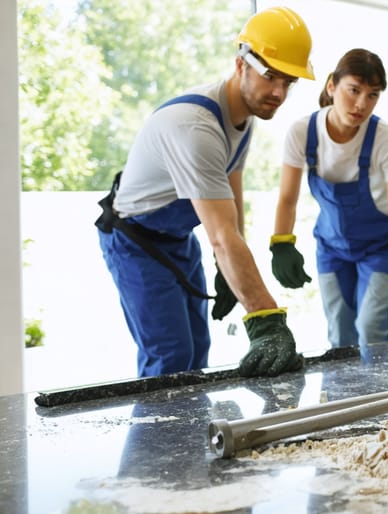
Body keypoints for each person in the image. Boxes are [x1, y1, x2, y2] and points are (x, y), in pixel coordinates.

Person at [97, 7, 316, 378]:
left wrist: (226, 266)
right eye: (271, 76)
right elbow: (219, 234)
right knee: (170, 360)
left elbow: (231, 203)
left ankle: (188, 439)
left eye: (289, 82)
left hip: (178, 239)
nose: (279, 93)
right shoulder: (195, 127)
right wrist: (264, 319)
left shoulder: (243, 121)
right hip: (135, 241)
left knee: (198, 350)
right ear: (241, 64)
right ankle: (155, 439)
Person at [271, 48, 388, 360]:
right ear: (332, 86)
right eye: (354, 90)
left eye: (373, 95)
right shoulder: (303, 133)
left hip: (382, 248)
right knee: (339, 334)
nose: (362, 104)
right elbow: (287, 199)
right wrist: (281, 242)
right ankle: (342, 407)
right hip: (332, 248)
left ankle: (386, 407)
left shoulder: (385, 138)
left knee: (372, 329)